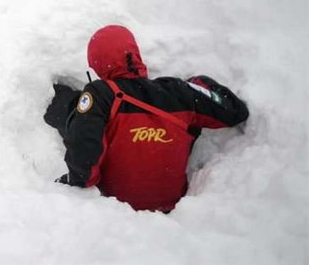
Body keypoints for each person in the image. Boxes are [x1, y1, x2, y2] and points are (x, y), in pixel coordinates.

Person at [44, 24, 248, 212]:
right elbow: (234, 112)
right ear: (134, 52)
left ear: (97, 63)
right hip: (170, 209)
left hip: (113, 211)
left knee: (71, 105)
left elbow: (84, 146)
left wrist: (75, 181)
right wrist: (198, 84)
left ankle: (44, 95)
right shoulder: (179, 92)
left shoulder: (102, 93)